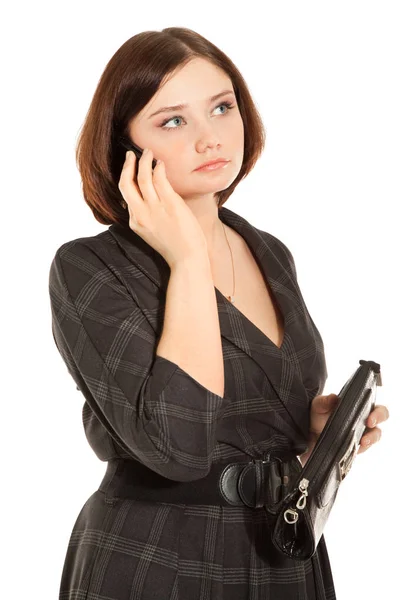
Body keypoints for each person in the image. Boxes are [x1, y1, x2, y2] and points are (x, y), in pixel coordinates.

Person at [49, 27, 389, 600]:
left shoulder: (267, 251)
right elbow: (179, 447)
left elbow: (252, 407)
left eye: (222, 107)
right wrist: (186, 259)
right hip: (158, 557)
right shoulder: (92, 268)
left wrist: (313, 438)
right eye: (173, 120)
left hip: (284, 547)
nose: (211, 138)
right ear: (125, 147)